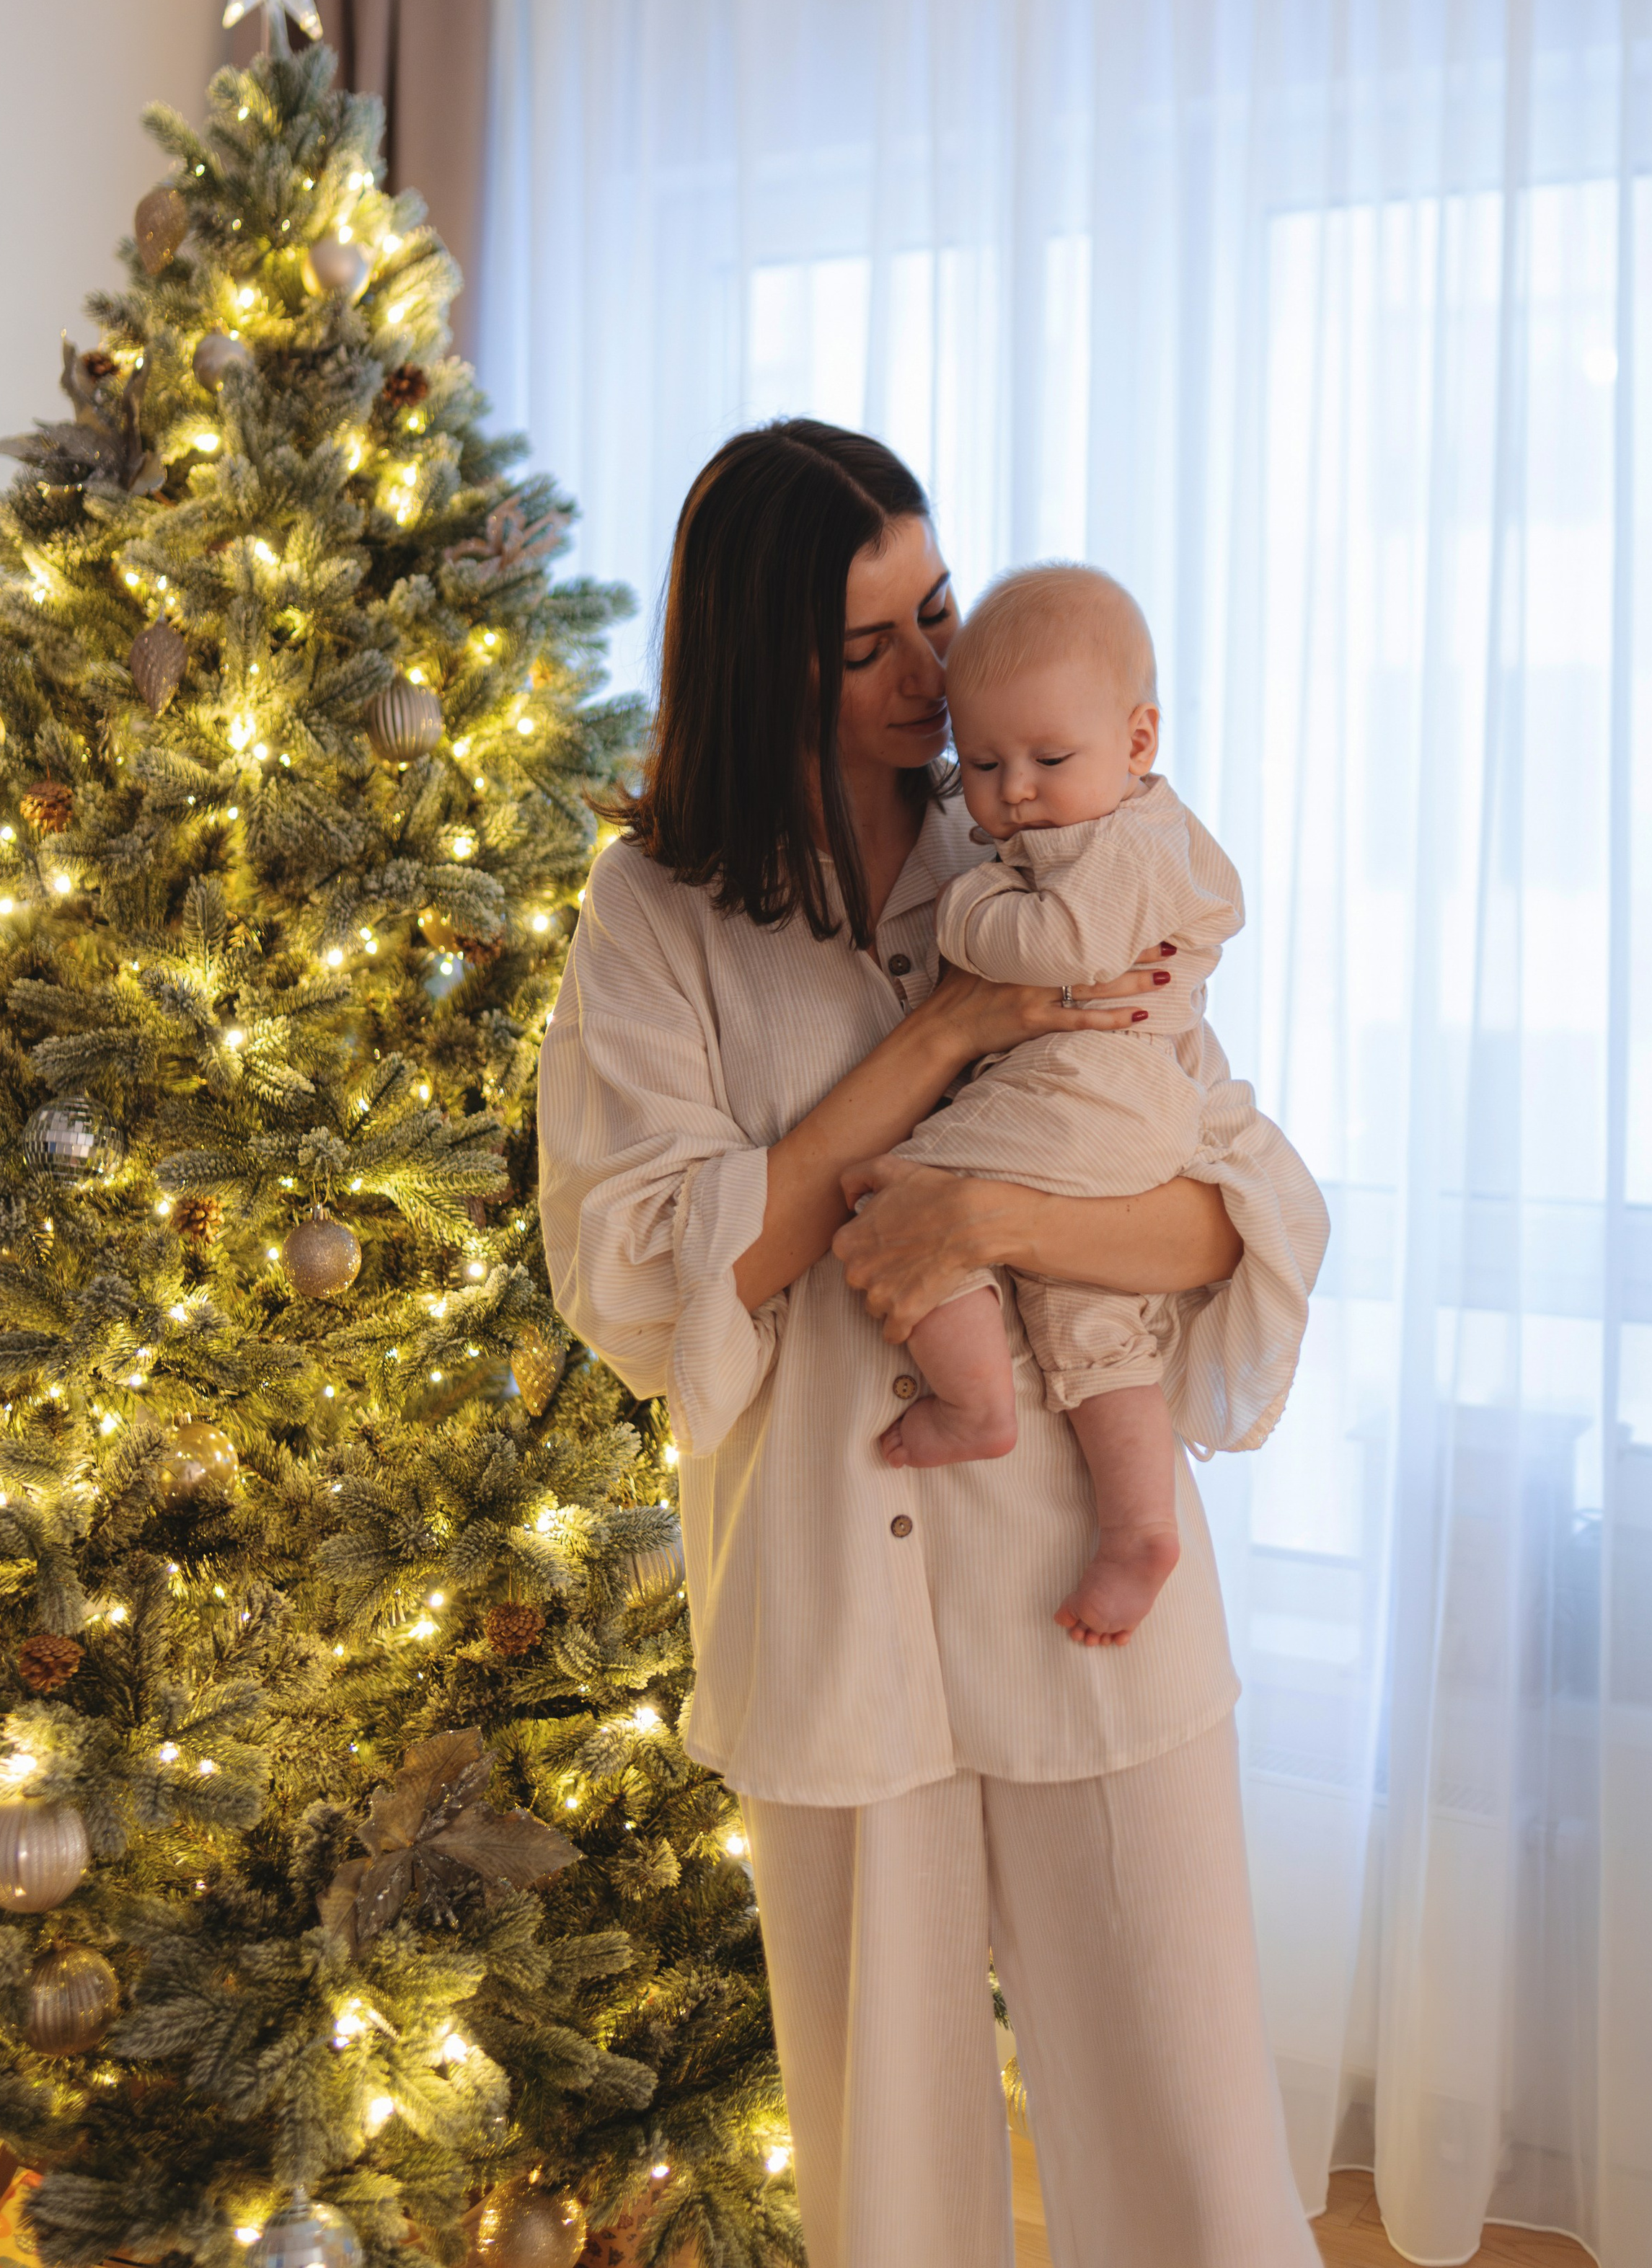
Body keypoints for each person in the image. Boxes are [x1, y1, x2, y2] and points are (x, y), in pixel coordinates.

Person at [538, 421, 1328, 2268]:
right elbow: (651, 1275)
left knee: (1193, 2153)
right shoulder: (652, 919)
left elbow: (1231, 1206)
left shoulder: (1058, 827)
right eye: (864, 644)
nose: (927, 675)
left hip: (1084, 1575)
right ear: (759, 663)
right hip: (833, 1609)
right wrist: (950, 1031)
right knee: (886, 2187)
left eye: (938, 613)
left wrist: (986, 1219)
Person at [873, 559, 1247, 1653]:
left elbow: (1058, 947)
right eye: (982, 762)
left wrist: (967, 908)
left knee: (902, 1197)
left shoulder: (1118, 846)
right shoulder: (1119, 826)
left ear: (1139, 743)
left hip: (1097, 1093)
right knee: (1089, 1316)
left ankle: (978, 1404)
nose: (1013, 792)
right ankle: (1139, 1525)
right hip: (1118, 1106)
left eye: (1047, 759)